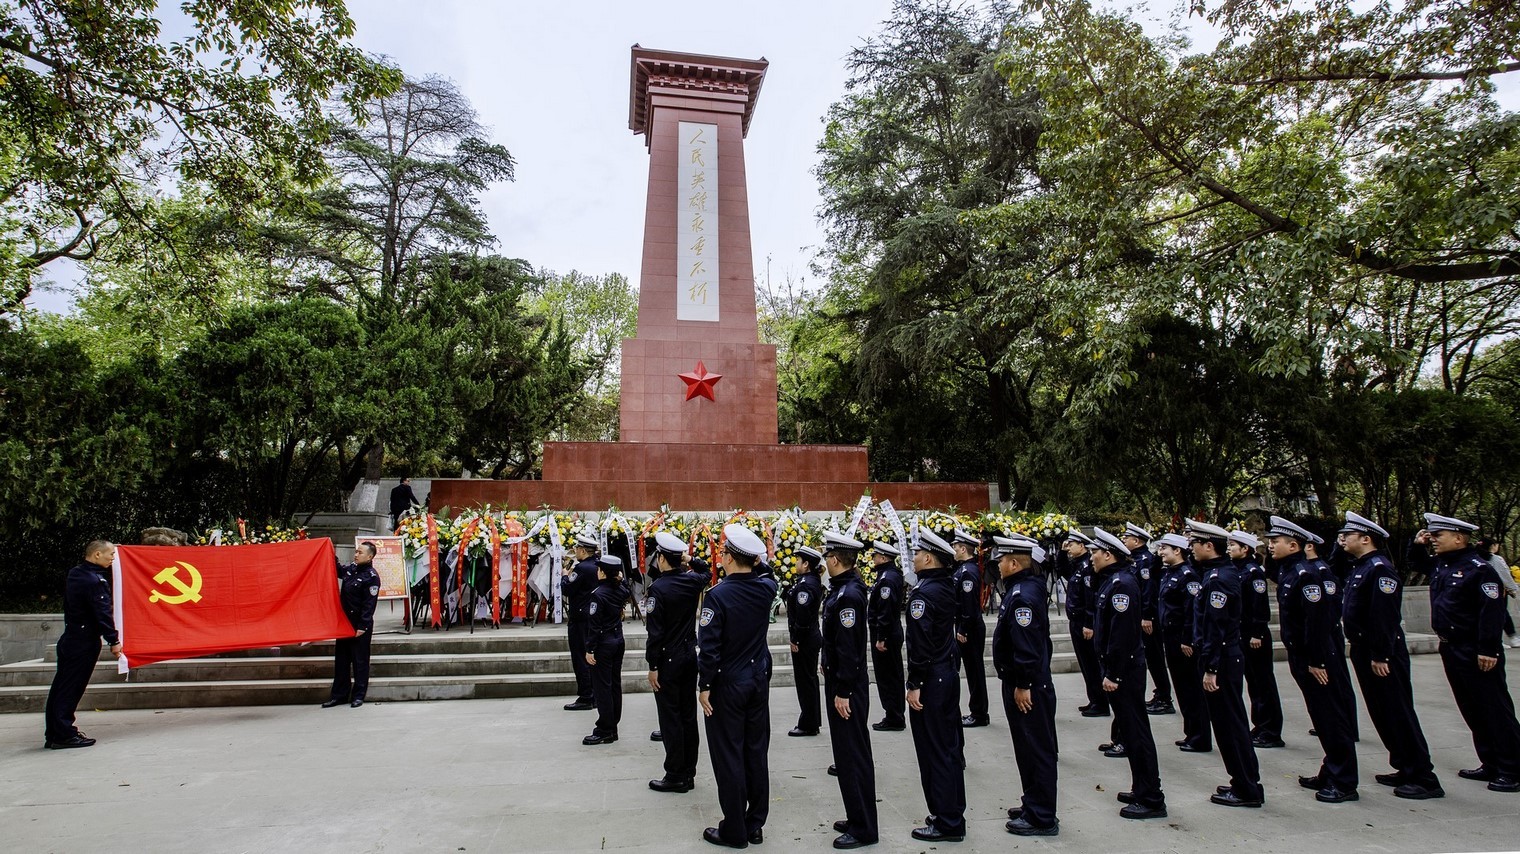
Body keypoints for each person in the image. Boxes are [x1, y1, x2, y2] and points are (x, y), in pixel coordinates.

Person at [1338, 511, 1443, 799]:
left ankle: (1424, 777)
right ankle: (1404, 766)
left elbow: (1384, 616)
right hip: (1364, 649)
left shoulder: (1380, 569)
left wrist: (1381, 655)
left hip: (1381, 652)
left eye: (1348, 535)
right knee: (1382, 713)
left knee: (1398, 713)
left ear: (1365, 539)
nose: (1342, 539)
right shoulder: (1362, 566)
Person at [1423, 512, 1520, 793]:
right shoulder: (1443, 565)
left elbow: (1492, 612)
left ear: (1458, 538)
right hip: (1451, 647)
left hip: (1474, 649)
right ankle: (1490, 762)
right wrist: (1415, 545)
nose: (1432, 539)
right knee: (1472, 708)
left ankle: (1512, 768)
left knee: (1494, 709)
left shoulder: (1480, 569)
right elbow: (1417, 563)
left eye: (1438, 535)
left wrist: (1488, 648)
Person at [1268, 515, 1359, 803]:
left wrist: (1317, 661)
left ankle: (1344, 781)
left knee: (1331, 718)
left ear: (1293, 545)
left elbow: (1317, 622)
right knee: (1321, 717)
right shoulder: (1290, 572)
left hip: (1316, 657)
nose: (1270, 545)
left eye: (1276, 541)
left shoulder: (1306, 575)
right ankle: (1330, 770)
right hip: (1302, 655)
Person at [698, 524, 778, 848]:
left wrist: (704, 684)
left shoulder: (717, 596)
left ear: (729, 558)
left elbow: (709, 647)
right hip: (756, 680)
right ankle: (755, 823)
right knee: (755, 752)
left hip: (728, 683)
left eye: (723, 552)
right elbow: (768, 572)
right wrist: (757, 559)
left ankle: (734, 829)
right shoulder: (766, 588)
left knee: (728, 755)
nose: (721, 556)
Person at [1187, 520, 1265, 808]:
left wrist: (1211, 668)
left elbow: (1215, 627)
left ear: (1209, 546)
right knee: (1230, 723)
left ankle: (1246, 788)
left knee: (1230, 725)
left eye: (1195, 544)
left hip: (1222, 660)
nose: (1191, 548)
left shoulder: (1219, 579)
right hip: (1224, 657)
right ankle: (1244, 780)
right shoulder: (1218, 573)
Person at [1090, 527, 1167, 819]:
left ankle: (1151, 798)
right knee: (1132, 731)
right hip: (1121, 669)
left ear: (1108, 555)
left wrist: (1114, 674)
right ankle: (1141, 787)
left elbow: (1121, 636)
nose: (1092, 557)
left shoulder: (1121, 585)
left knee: (1137, 733)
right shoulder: (1113, 581)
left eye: (1096, 552)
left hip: (1125, 672)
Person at [991, 535, 1059, 837]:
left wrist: (1024, 683)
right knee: (1027, 747)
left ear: (1014, 563)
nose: (998, 565)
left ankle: (1042, 815)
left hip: (1028, 684)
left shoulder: (1022, 596)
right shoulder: (1026, 588)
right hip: (1027, 680)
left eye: (1002, 560)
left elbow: (1027, 647)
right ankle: (1033, 802)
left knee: (1035, 748)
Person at [905, 528, 967, 842]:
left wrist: (914, 682)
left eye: (917, 553)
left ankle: (947, 821)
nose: (913, 558)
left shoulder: (924, 593)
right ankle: (952, 811)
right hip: (946, 672)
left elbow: (920, 643)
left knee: (935, 751)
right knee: (949, 748)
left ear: (929, 558)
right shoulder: (946, 585)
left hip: (931, 679)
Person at [819, 531, 878, 849]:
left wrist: (842, 689)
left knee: (853, 755)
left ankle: (864, 827)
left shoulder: (849, 595)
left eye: (828, 556)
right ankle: (857, 816)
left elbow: (850, 648)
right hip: (842, 682)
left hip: (848, 688)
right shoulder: (843, 589)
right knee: (846, 754)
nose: (826, 562)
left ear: (834, 559)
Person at [43, 540, 122, 749]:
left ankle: (54, 733)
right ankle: (64, 734)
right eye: (111, 554)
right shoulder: (94, 580)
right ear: (97, 555)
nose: (113, 558)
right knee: (71, 689)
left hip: (71, 637)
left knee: (61, 687)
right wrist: (113, 640)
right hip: (83, 642)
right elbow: (102, 613)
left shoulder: (76, 573)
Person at [646, 532, 708, 792]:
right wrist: (690, 559)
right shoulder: (692, 581)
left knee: (670, 718)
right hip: (688, 655)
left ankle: (675, 774)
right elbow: (706, 571)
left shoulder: (658, 589)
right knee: (687, 716)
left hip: (667, 659)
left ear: (662, 559)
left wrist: (653, 666)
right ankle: (688, 772)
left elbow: (655, 633)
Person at [1229, 530, 1284, 749]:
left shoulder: (1253, 572)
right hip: (1243, 632)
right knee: (1253, 683)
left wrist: (1257, 633)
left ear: (1245, 549)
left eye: (1233, 545)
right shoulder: (1238, 570)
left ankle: (1271, 730)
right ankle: (1260, 726)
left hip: (1254, 635)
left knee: (1263, 684)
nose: (1229, 548)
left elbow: (1259, 607)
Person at [1156, 533, 1209, 754]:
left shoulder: (1188, 576)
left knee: (1191, 688)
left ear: (1178, 551)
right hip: (1170, 637)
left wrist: (1188, 639)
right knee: (1182, 687)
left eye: (1165, 548)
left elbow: (1191, 611)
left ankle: (1200, 736)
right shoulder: (1170, 573)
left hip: (1183, 639)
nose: (1161, 552)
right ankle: (1191, 732)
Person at [324, 541, 381, 708]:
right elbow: (337, 569)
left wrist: (362, 626)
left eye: (360, 553)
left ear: (370, 557)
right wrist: (328, 550)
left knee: (360, 661)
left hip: (359, 625)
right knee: (341, 661)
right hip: (344, 624)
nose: (356, 555)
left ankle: (358, 695)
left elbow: (369, 605)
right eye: (356, 551)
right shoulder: (351, 569)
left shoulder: (371, 577)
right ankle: (339, 695)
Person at [1125, 524, 1174, 716]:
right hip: (1139, 616)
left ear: (1136, 541)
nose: (1124, 540)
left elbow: (1148, 591)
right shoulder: (1135, 559)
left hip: (1148, 618)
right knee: (1150, 658)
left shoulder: (1145, 560)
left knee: (1155, 657)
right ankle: (1160, 693)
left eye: (1127, 538)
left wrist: (1147, 616)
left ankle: (1164, 697)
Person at [581, 555, 630, 745]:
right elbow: (625, 587)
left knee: (602, 688)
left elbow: (594, 626)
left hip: (603, 644)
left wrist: (589, 649)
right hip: (617, 640)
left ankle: (605, 728)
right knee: (614, 685)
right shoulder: (621, 589)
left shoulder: (598, 594)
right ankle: (612, 726)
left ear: (603, 572)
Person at [1064, 531, 1108, 718]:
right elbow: (1062, 569)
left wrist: (1089, 623)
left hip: (1084, 622)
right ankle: (1094, 698)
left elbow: (1090, 597)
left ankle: (1101, 702)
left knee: (1091, 663)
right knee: (1085, 663)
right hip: (1076, 620)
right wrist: (1061, 551)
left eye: (1071, 544)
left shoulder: (1087, 567)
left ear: (1082, 546)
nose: (1068, 548)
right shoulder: (1077, 565)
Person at [951, 529, 989, 728]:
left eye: (956, 547)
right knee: (972, 669)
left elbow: (969, 605)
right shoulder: (963, 569)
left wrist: (963, 629)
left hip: (970, 628)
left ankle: (979, 713)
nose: (954, 551)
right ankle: (978, 710)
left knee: (975, 671)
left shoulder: (968, 572)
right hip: (966, 625)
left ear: (963, 549)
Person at [867, 541, 907, 732]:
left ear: (883, 558)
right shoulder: (889, 575)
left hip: (887, 635)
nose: (873, 559)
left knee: (888, 676)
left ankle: (894, 716)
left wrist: (881, 636)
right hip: (888, 632)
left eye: (875, 556)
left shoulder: (887, 578)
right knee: (890, 675)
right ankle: (893, 713)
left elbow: (885, 610)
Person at [786, 545, 825, 737]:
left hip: (806, 640)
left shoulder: (806, 585)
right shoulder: (808, 581)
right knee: (808, 681)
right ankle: (811, 720)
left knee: (806, 682)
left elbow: (803, 617)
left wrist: (796, 640)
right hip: (809, 637)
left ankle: (809, 723)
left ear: (806, 564)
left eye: (798, 561)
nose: (796, 564)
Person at [561, 531, 601, 711]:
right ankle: (595, 695)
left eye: (577, 548)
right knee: (592, 657)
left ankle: (586, 696)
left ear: (583, 551)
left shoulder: (581, 569)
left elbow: (567, 589)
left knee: (580, 657)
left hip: (580, 618)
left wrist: (564, 575)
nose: (575, 551)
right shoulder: (598, 565)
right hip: (594, 617)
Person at [1481, 539, 1520, 649]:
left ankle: (1497, 639)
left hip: (1479, 591)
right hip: (1496, 591)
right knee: (1500, 614)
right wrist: (1512, 589)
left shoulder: (1474, 557)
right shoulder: (1495, 559)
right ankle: (1502, 639)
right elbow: (1504, 574)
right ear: (1493, 546)